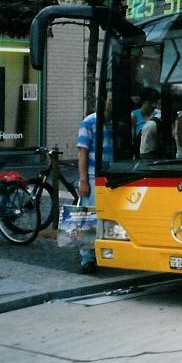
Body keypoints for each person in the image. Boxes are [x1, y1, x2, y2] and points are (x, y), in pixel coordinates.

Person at [76, 95, 114, 274]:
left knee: (105, 217)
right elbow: (82, 152)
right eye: (110, 101)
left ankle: (103, 253)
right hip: (93, 176)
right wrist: (83, 180)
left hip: (112, 175)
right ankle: (87, 257)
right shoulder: (89, 122)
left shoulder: (119, 123)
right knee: (89, 217)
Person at [131, 87, 159, 157]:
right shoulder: (134, 116)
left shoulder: (157, 115)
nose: (154, 105)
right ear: (143, 102)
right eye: (150, 103)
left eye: (155, 102)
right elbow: (132, 139)